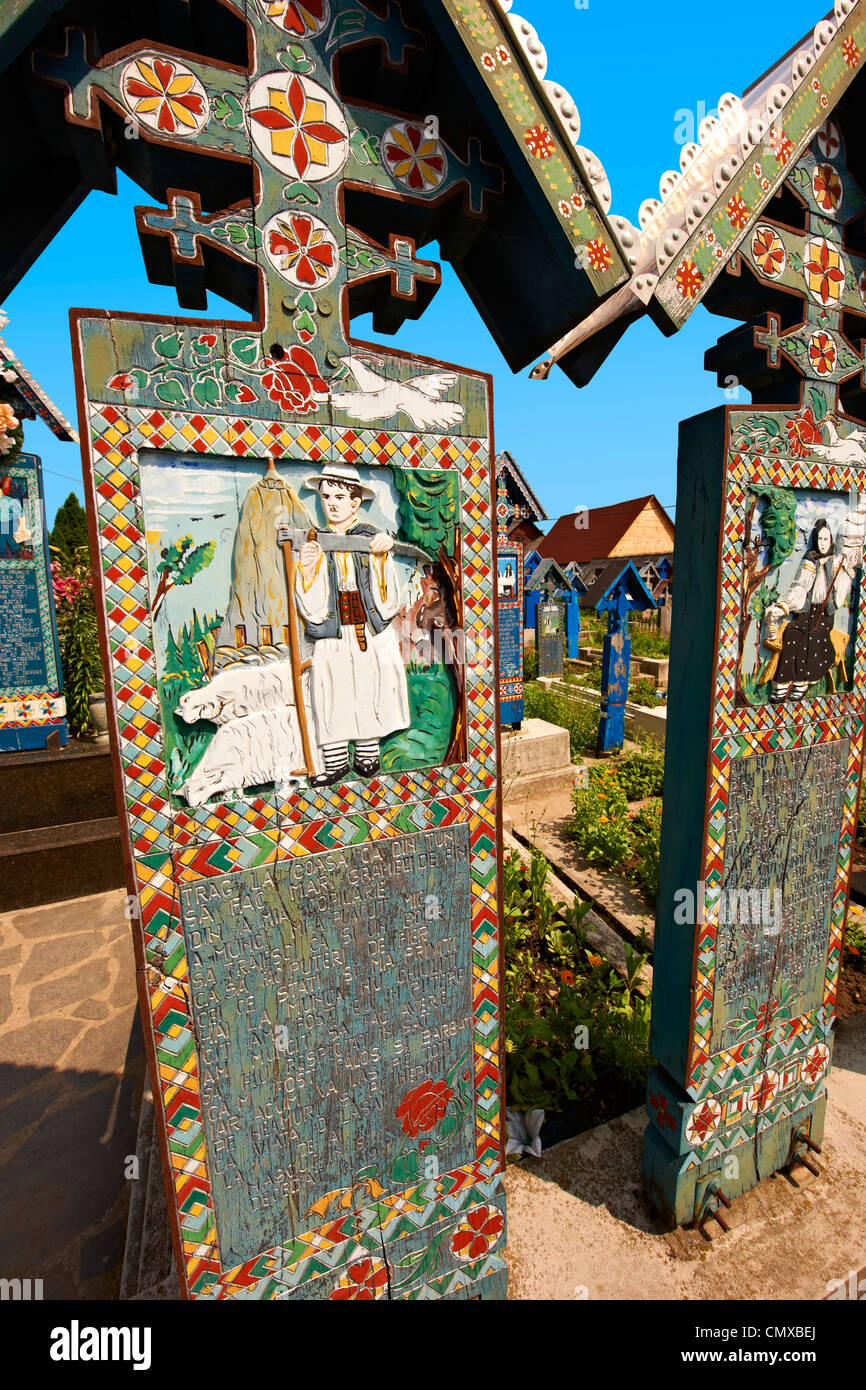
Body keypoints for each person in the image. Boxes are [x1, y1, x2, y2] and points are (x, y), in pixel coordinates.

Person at [295, 463, 410, 786]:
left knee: (369, 689)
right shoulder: (315, 542)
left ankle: (367, 756)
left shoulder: (373, 539)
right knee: (333, 691)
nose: (331, 503)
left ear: (355, 502)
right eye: (325, 495)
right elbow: (313, 610)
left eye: (340, 496)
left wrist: (380, 559)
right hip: (334, 633)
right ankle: (334, 762)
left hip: (368, 631)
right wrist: (307, 572)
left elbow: (388, 601)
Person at [762, 506, 866, 701]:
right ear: (815, 540)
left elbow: (841, 590)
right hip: (807, 610)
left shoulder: (837, 562)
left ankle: (803, 682)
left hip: (825, 613)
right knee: (792, 633)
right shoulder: (810, 560)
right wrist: (785, 606)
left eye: (826, 539)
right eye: (820, 539)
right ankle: (782, 684)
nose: (823, 543)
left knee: (815, 638)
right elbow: (801, 586)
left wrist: (847, 569)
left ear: (832, 540)